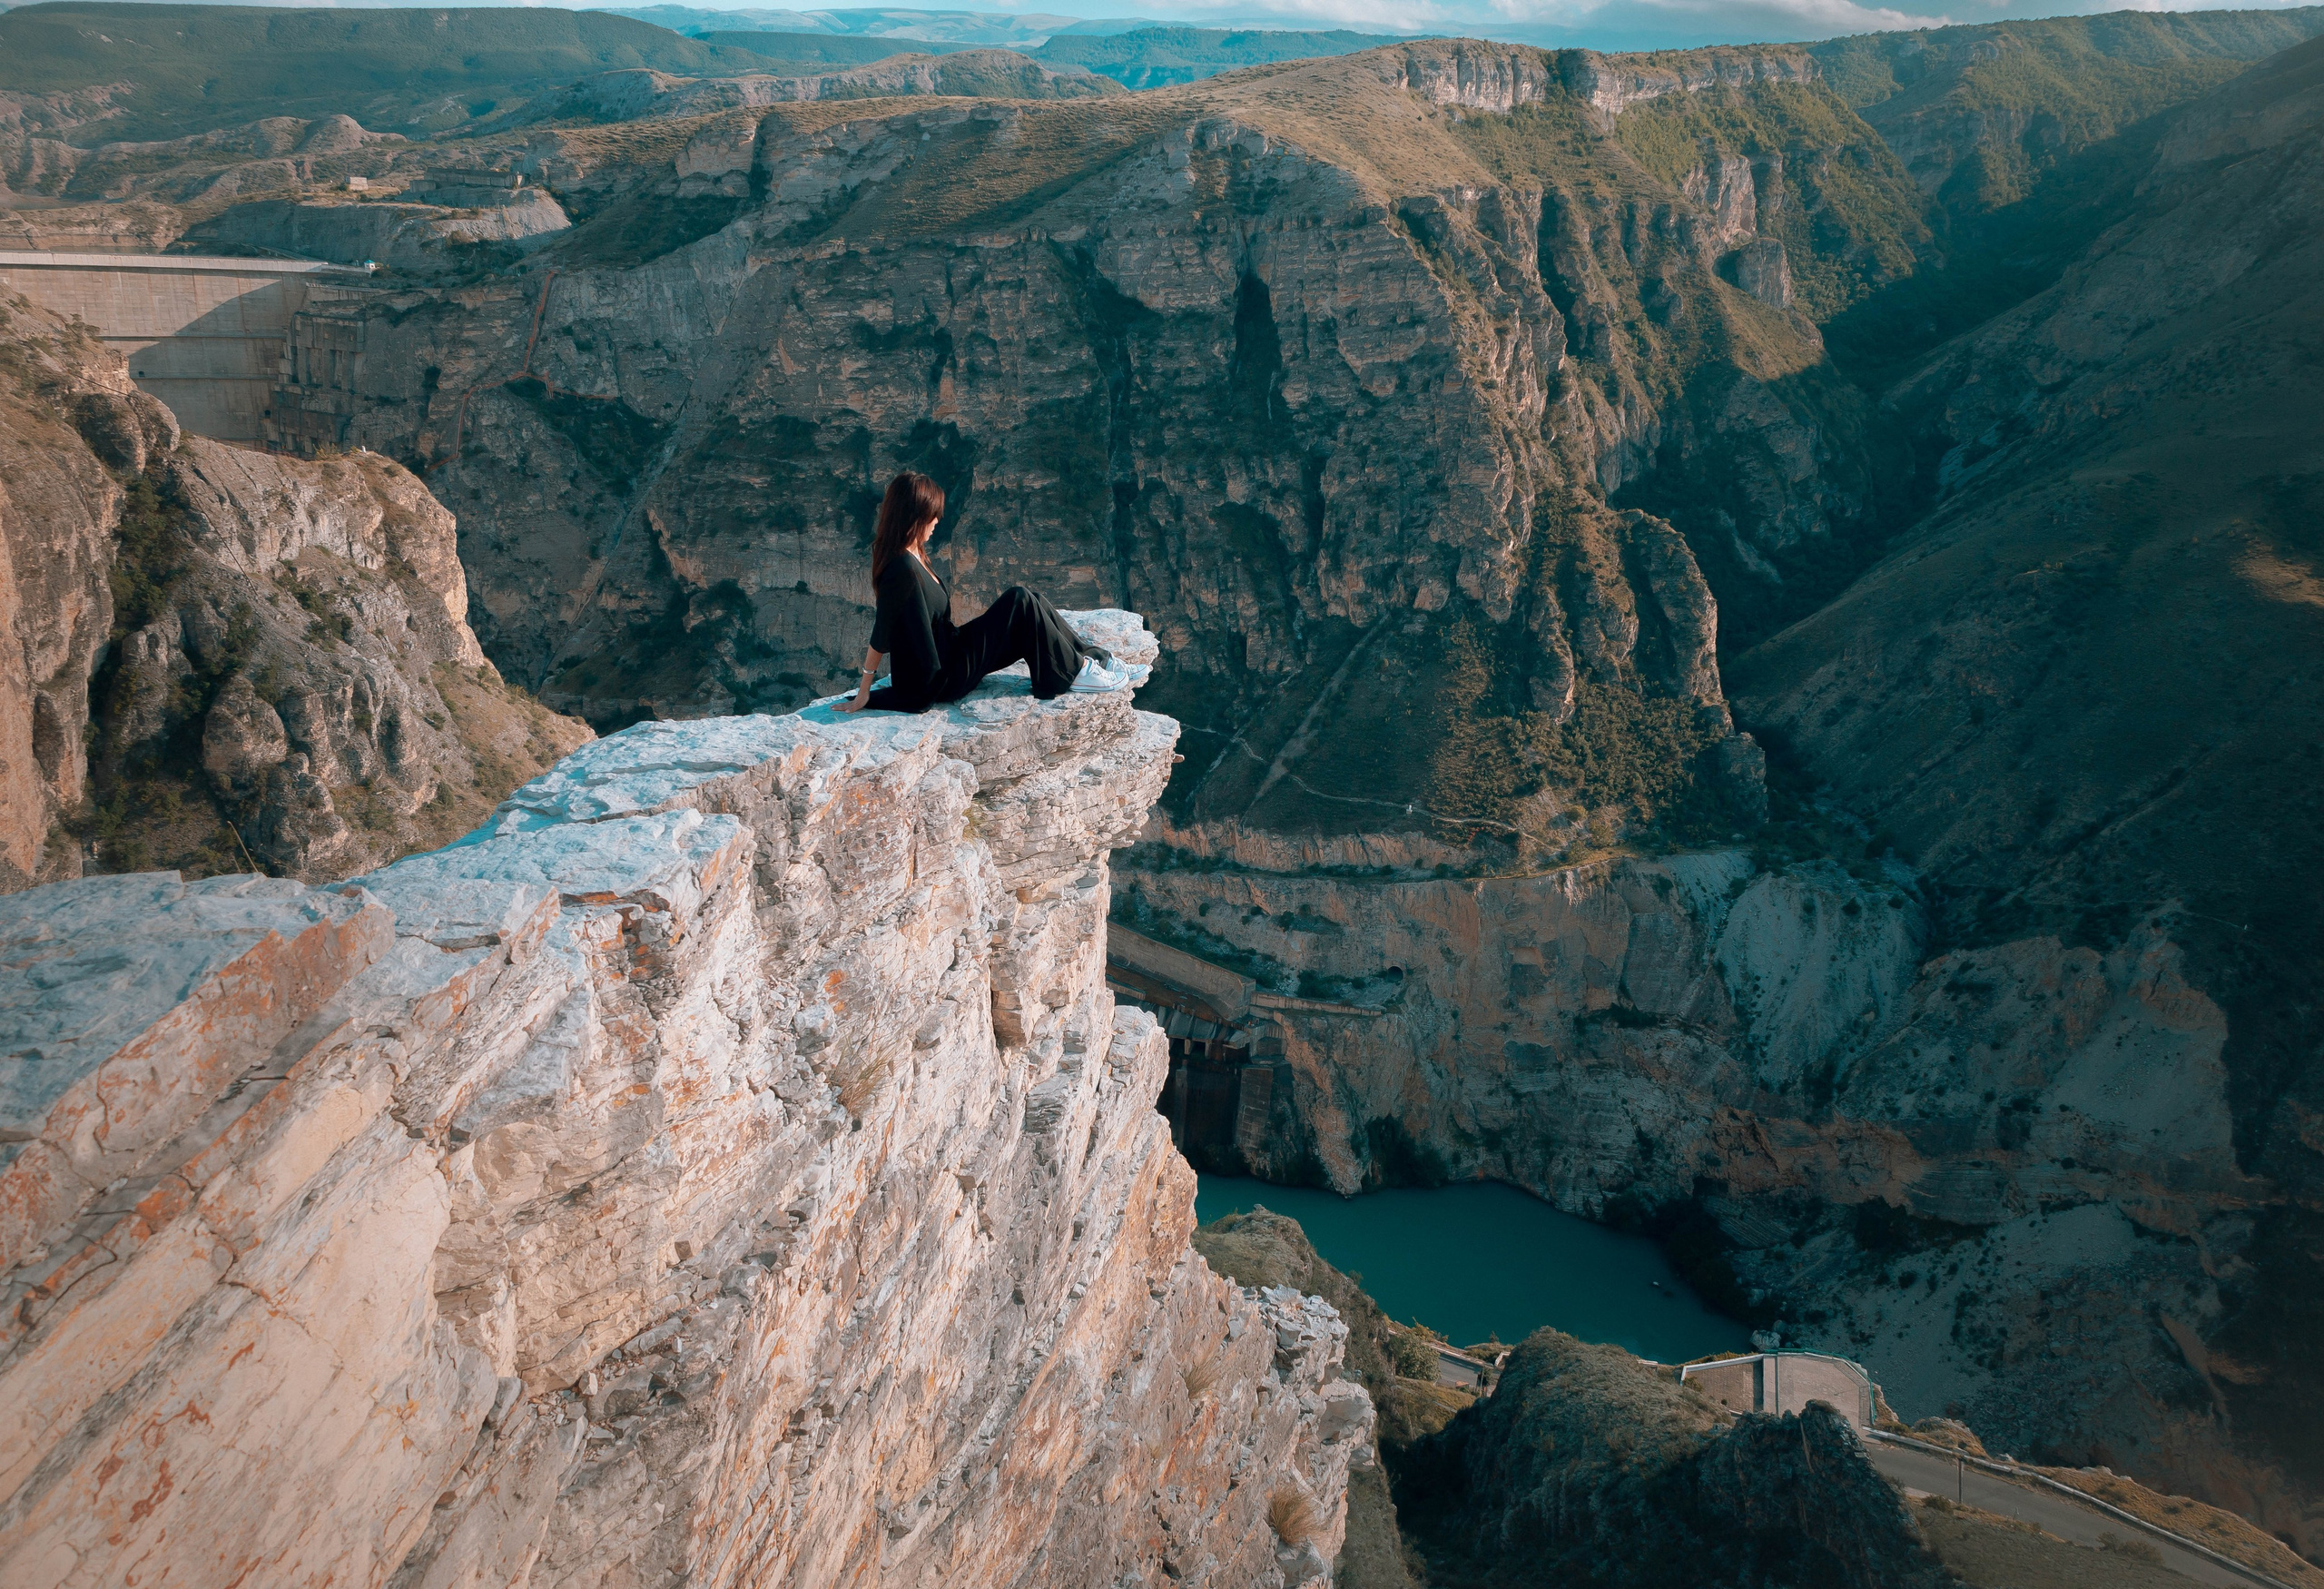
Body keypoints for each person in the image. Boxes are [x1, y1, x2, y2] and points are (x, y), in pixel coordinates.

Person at [837, 471, 1134, 714]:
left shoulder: (915, 555)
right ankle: (1077, 673)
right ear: (914, 517)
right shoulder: (901, 567)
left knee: (1031, 600)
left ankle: (1090, 659)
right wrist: (866, 691)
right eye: (932, 515)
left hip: (953, 651)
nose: (937, 521)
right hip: (945, 675)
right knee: (1019, 600)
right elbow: (882, 630)